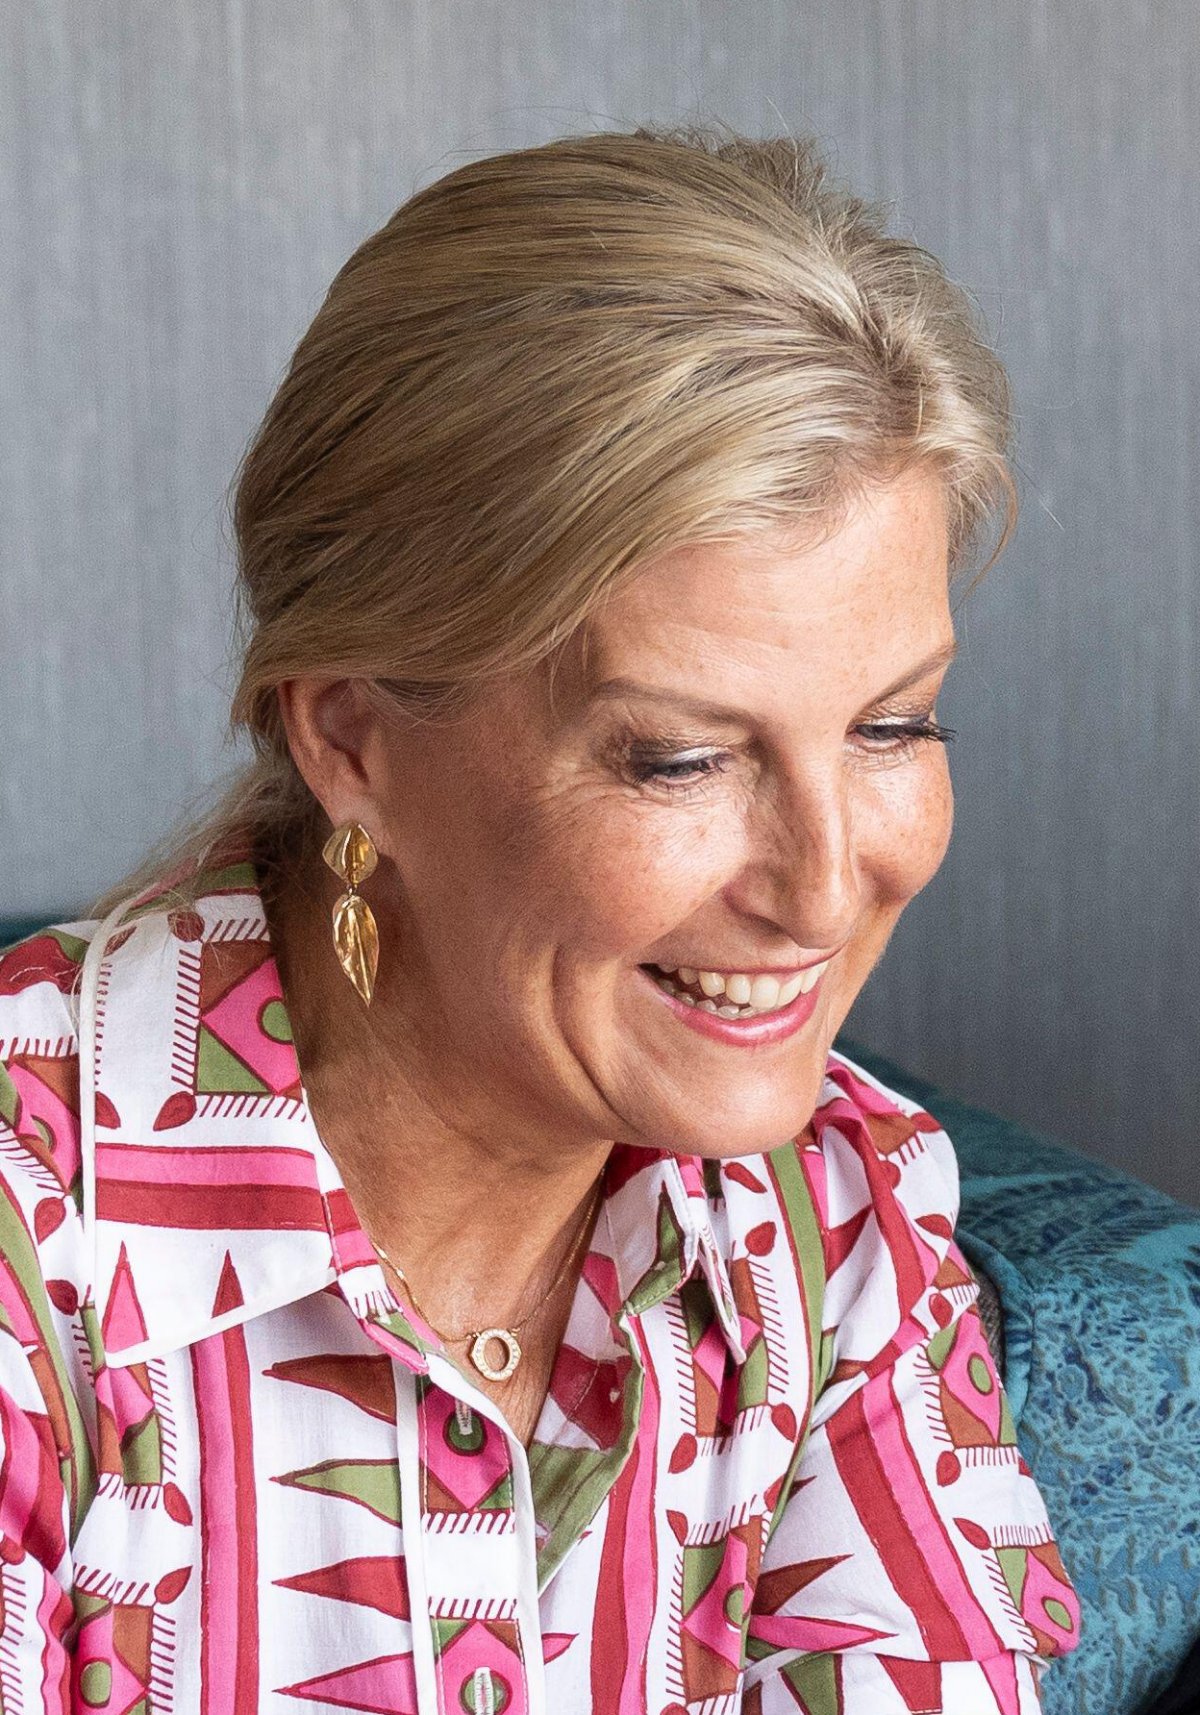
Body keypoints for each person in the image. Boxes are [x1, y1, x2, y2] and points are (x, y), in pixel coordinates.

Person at [0, 123, 1081, 1713]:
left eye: (892, 727)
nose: (828, 880)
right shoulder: (40, 1238)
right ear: (353, 737)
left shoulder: (841, 1222)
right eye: (681, 757)